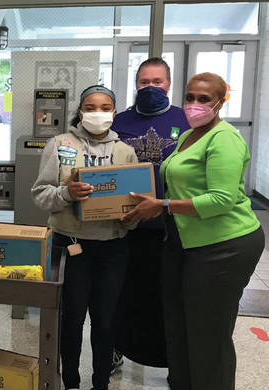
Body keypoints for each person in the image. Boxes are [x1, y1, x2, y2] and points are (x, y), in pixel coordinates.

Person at [124, 72, 264, 390]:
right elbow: (175, 180)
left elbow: (221, 199)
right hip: (185, 243)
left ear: (221, 102)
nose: (194, 104)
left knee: (208, 336)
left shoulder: (225, 140)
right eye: (190, 96)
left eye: (204, 98)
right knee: (179, 328)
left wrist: (164, 206)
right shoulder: (188, 135)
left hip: (224, 245)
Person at [31, 85, 138, 390]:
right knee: (73, 317)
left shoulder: (125, 152)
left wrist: (130, 214)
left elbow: (135, 203)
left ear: (114, 112)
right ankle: (72, 385)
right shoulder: (61, 144)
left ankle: (102, 387)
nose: (98, 113)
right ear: (80, 111)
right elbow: (40, 195)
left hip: (113, 247)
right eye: (90, 107)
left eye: (105, 107)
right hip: (71, 244)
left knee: (106, 319)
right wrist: (66, 193)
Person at [111, 58, 191, 371]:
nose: (151, 87)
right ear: (135, 84)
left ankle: (167, 357)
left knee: (165, 295)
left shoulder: (185, 121)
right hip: (126, 226)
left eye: (157, 82)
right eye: (144, 82)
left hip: (171, 226)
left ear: (169, 84)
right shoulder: (120, 121)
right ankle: (115, 348)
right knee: (122, 292)